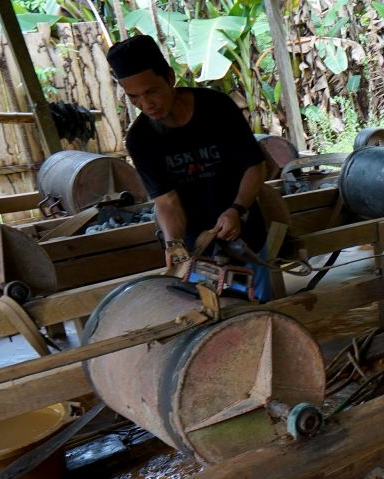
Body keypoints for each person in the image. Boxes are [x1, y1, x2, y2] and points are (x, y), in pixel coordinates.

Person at [106, 34, 273, 301]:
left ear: (170, 78)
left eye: (151, 91)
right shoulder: (140, 139)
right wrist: (174, 243)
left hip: (245, 238)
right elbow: (167, 201)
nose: (146, 104)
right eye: (134, 97)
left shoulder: (217, 108)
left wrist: (237, 209)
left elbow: (255, 168)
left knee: (256, 312)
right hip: (199, 250)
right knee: (214, 319)